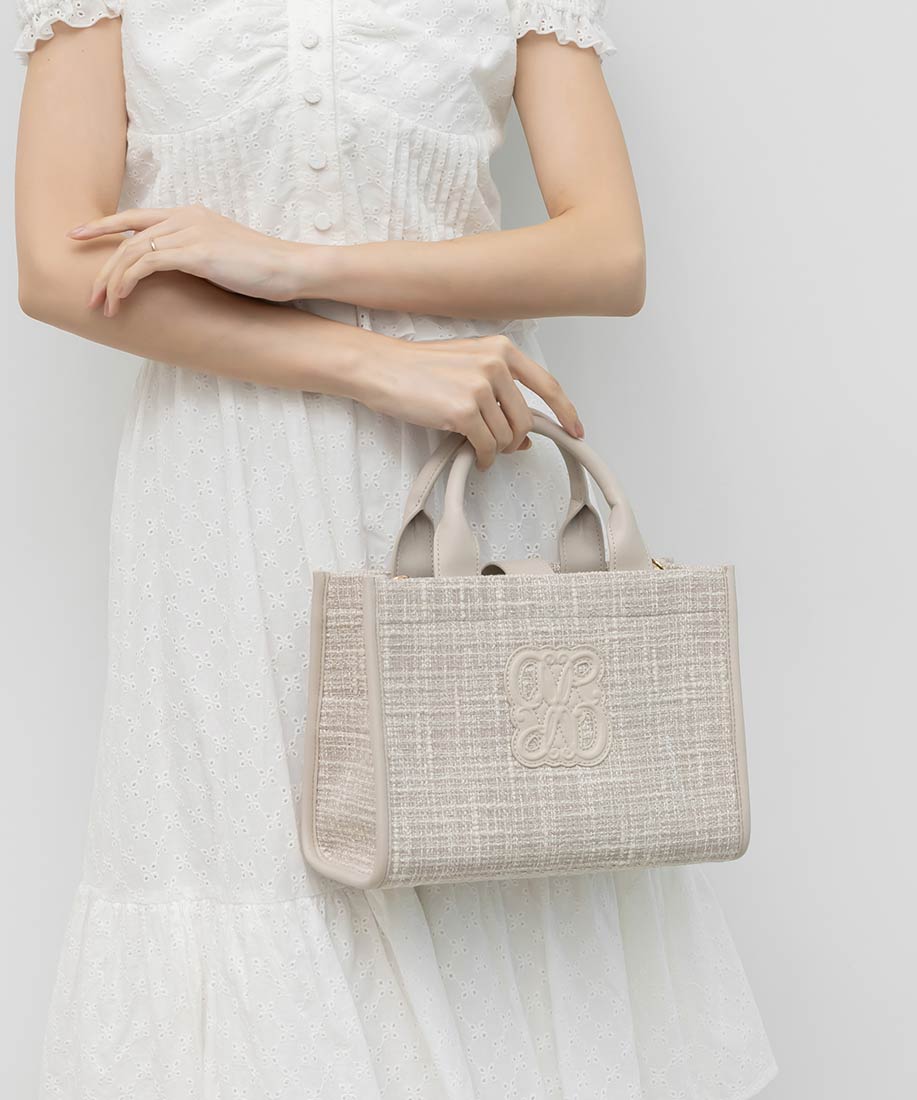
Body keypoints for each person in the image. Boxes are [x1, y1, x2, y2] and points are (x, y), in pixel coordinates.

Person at [14, 1, 778, 1096]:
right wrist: (370, 363)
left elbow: (608, 253)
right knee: (249, 863)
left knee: (487, 850)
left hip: (459, 467)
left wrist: (296, 265)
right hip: (224, 496)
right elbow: (57, 267)